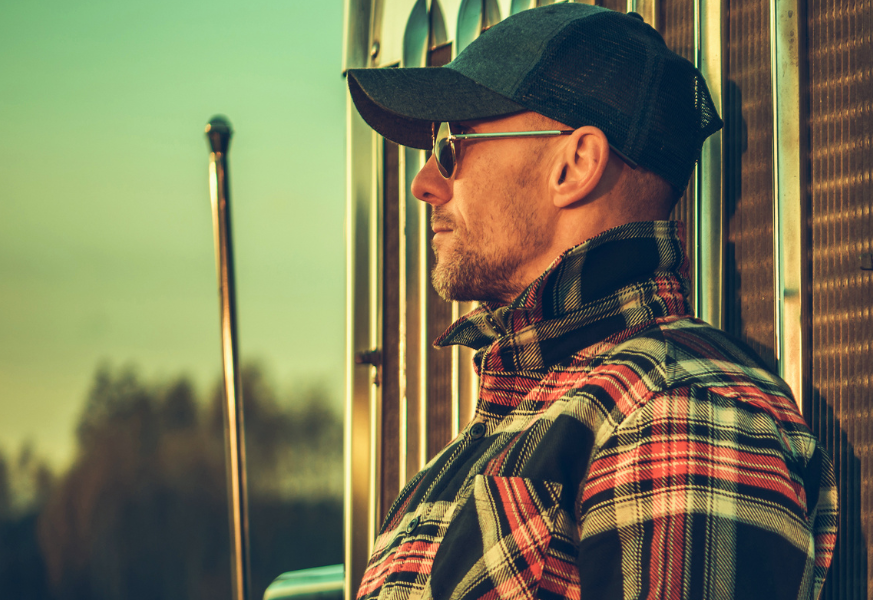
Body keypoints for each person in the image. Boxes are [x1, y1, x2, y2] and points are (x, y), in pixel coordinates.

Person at [343, 4, 835, 599]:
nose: (424, 183)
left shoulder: (676, 415)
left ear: (574, 166)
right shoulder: (493, 437)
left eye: (452, 145)